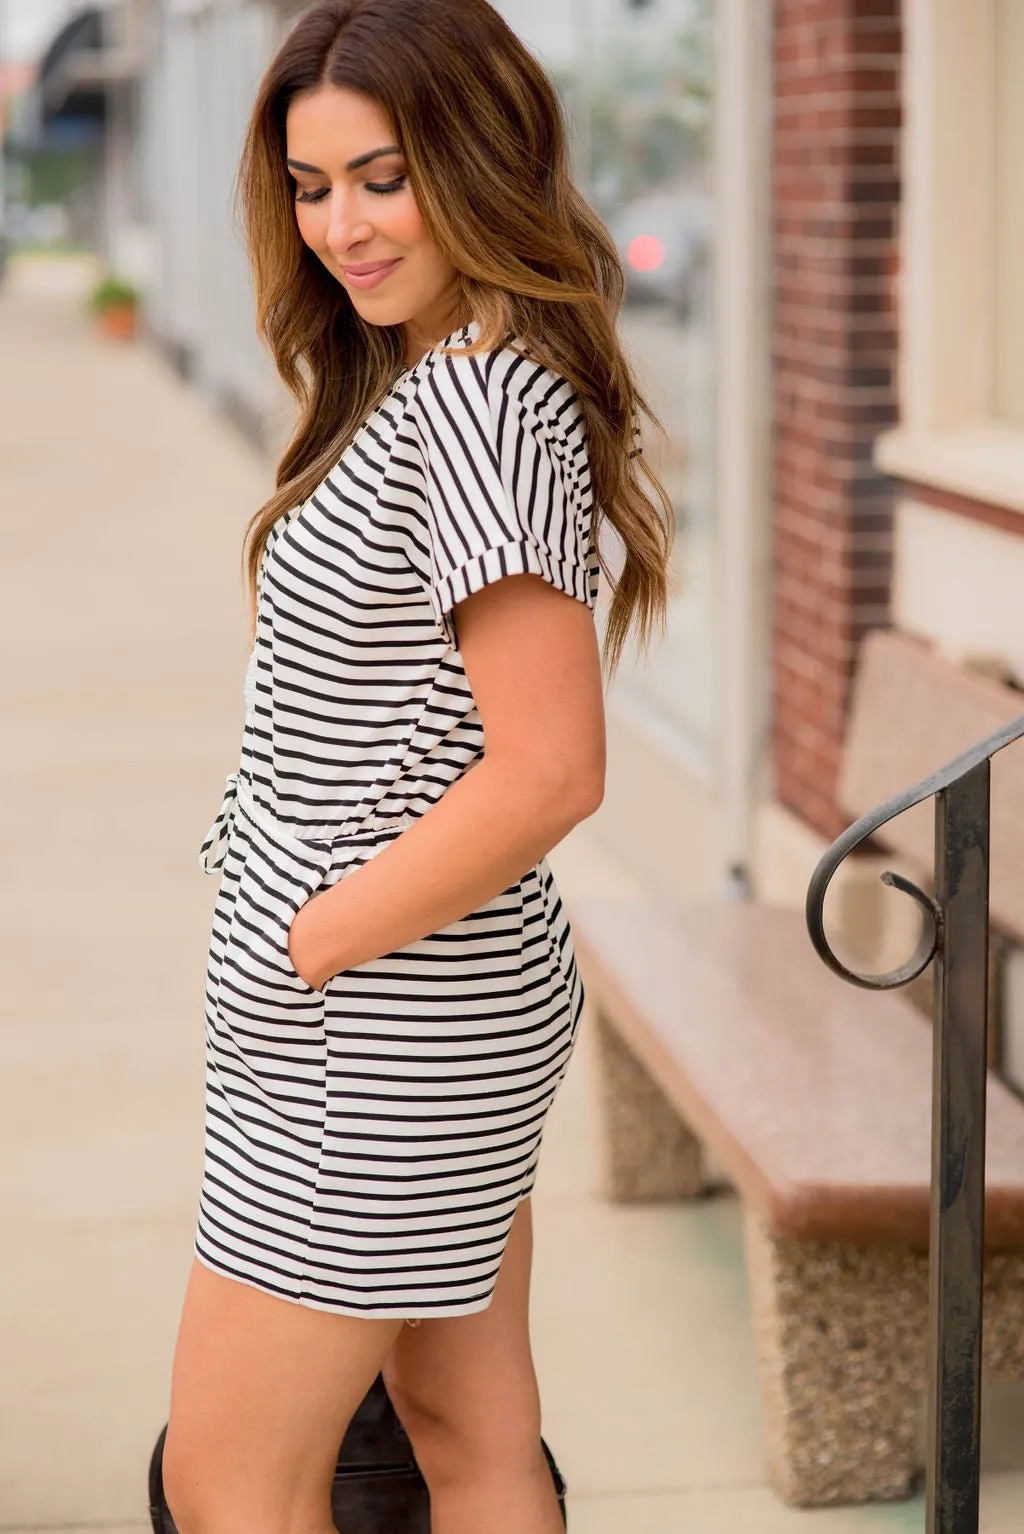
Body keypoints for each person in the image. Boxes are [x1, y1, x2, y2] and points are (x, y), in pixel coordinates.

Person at [162, 3, 672, 1531]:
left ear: (478, 152)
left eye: (381, 178)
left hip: (370, 1025)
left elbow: (549, 770)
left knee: (231, 1480)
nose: (340, 227)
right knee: (467, 1429)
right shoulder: (463, 375)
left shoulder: (466, 399)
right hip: (424, 1007)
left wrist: (314, 935)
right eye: (312, 188)